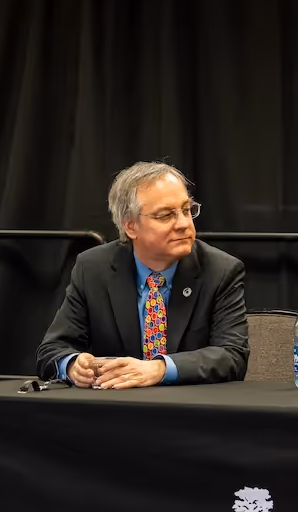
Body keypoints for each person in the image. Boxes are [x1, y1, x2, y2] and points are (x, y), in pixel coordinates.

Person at [36, 161, 249, 388]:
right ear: (131, 227)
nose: (184, 224)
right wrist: (72, 365)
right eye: (166, 215)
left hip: (189, 410)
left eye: (187, 210)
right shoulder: (93, 268)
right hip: (115, 410)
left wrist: (160, 368)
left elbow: (232, 356)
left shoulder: (221, 270)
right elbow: (51, 350)